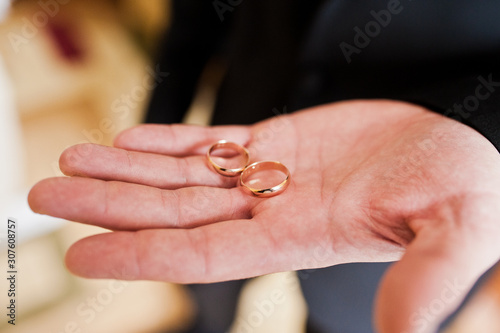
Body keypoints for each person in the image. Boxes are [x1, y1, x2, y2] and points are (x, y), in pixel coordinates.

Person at [29, 1, 500, 332]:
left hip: (401, 181)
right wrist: (159, 115)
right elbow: (194, 18)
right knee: (205, 285)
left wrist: (483, 127)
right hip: (246, 108)